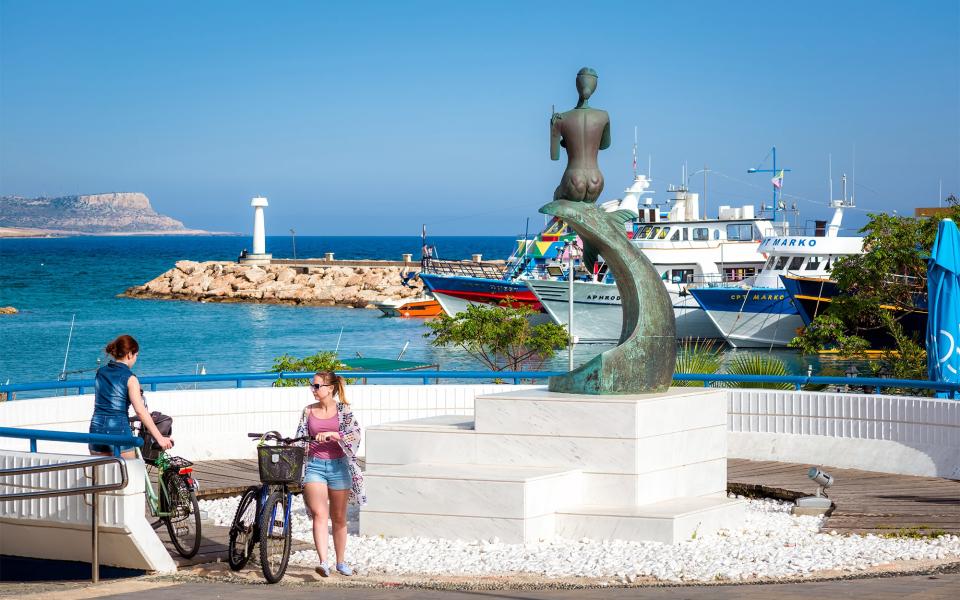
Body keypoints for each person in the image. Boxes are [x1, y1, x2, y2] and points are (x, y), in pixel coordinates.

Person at [295, 371, 366, 577]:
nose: (313, 390)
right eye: (312, 386)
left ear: (330, 388)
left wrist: (337, 435)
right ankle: (323, 562)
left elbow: (355, 434)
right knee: (319, 513)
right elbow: (300, 437)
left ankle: (340, 562)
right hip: (314, 466)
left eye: (317, 386)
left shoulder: (343, 410)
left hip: (339, 467)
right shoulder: (307, 411)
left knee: (338, 517)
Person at [89, 334, 173, 459]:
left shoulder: (100, 372)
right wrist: (160, 438)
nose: (135, 359)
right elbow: (140, 411)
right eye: (136, 356)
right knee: (130, 475)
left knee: (102, 476)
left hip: (96, 430)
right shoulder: (130, 378)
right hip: (119, 431)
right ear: (129, 354)